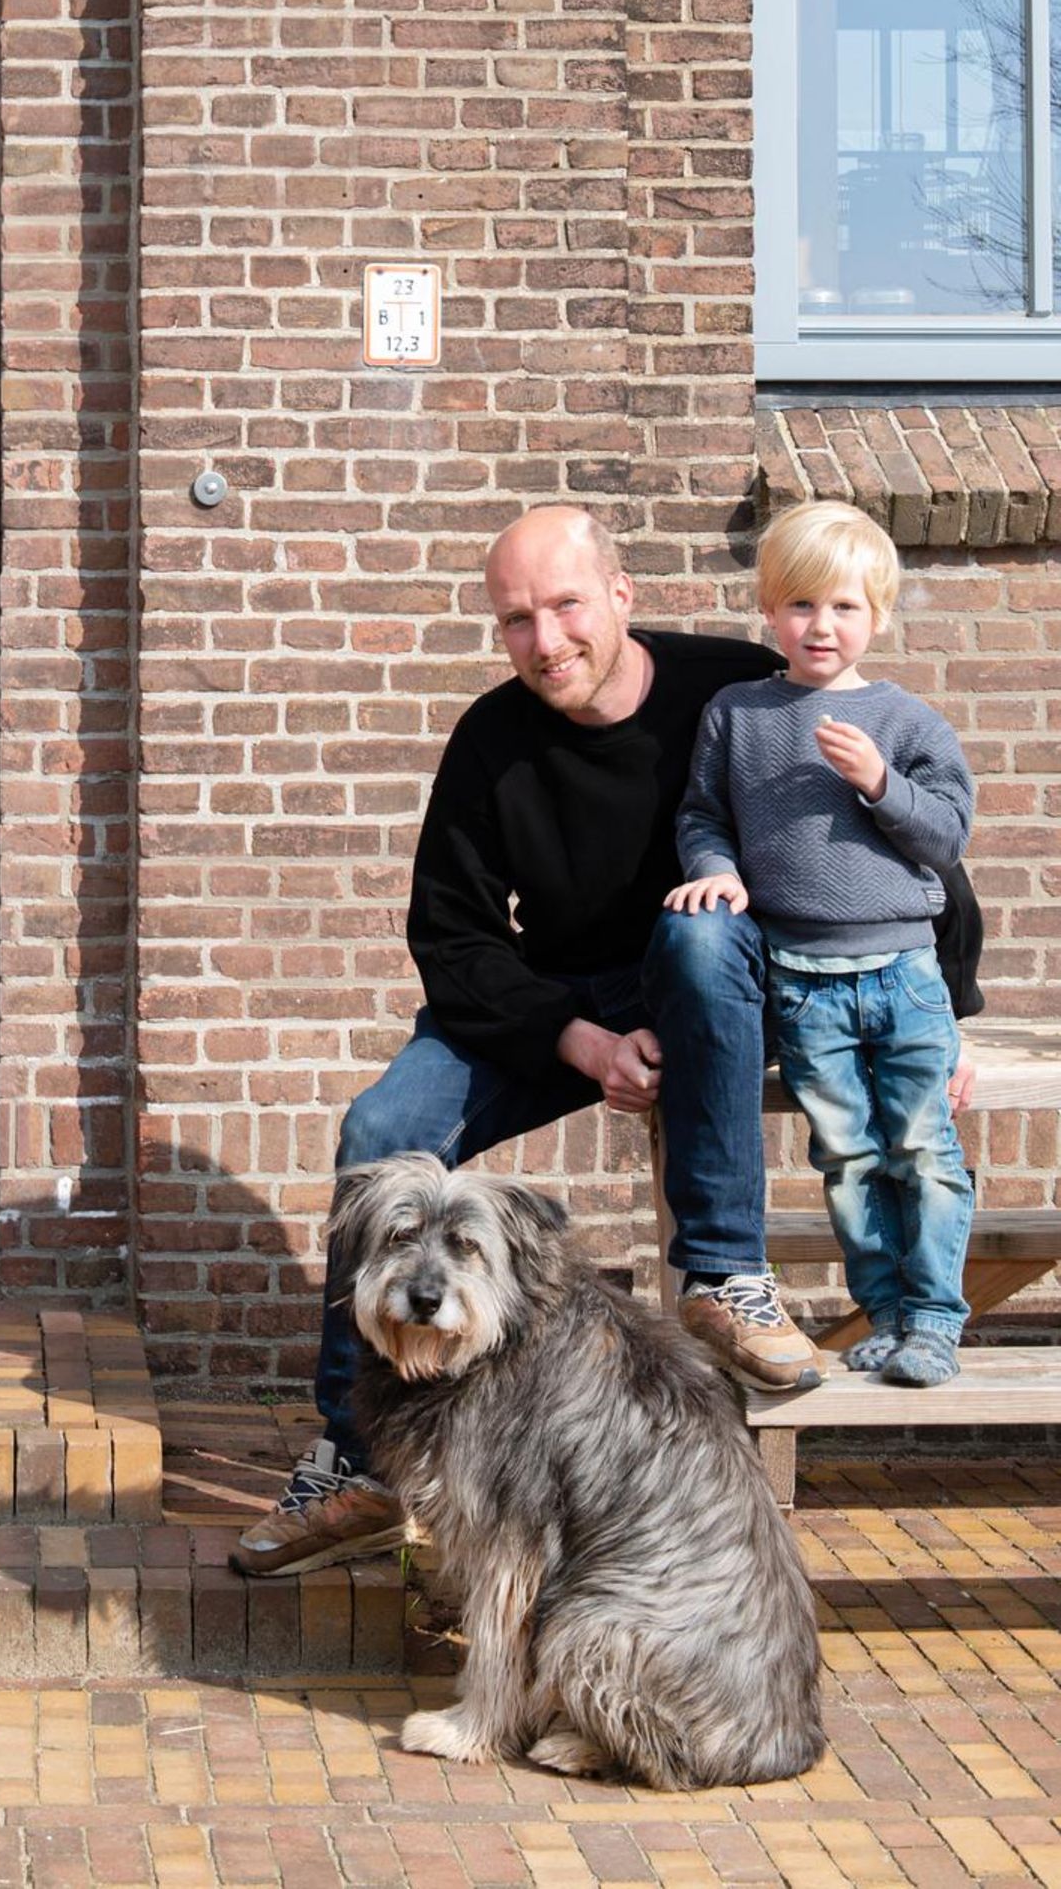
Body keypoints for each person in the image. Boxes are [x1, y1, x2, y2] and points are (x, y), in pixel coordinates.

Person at [233, 502, 830, 1582]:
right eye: (516, 618)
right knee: (382, 1127)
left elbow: (865, 835)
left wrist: (937, 1004)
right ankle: (360, 1459)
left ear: (620, 594)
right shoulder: (492, 739)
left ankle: (725, 1276)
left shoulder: (736, 689)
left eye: (564, 605)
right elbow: (450, 934)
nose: (545, 640)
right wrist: (580, 1041)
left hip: (706, 974)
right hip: (556, 999)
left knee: (699, 937)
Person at [668, 501, 979, 1388]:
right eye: (801, 604)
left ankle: (934, 1318)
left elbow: (947, 835)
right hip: (803, 984)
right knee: (846, 1157)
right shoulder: (738, 713)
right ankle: (884, 1313)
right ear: (770, 609)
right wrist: (717, 869)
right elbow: (703, 814)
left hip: (904, 975)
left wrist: (880, 782)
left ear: (877, 614)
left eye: (843, 606)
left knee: (923, 1149)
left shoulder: (907, 722)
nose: (821, 624)